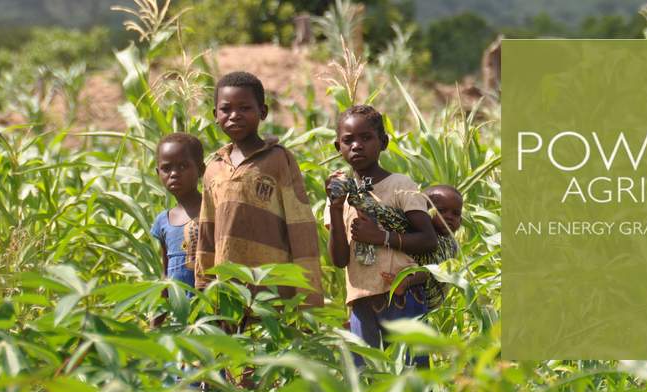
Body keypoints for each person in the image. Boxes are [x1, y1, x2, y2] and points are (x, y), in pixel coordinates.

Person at [195, 71, 324, 308]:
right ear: (215, 115)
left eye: (244, 108)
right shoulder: (213, 168)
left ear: (262, 112)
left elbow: (300, 227)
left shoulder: (278, 160)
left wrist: (309, 300)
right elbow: (206, 232)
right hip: (227, 294)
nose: (234, 115)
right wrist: (204, 289)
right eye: (226, 109)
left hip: (274, 294)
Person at [325, 104, 438, 368]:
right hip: (362, 302)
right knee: (366, 379)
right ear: (337, 147)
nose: (357, 146)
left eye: (366, 138)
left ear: (383, 142)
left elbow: (428, 239)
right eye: (348, 140)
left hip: (403, 298)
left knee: (413, 378)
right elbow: (339, 259)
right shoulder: (337, 197)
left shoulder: (399, 185)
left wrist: (382, 237)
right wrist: (335, 206)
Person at [151, 132, 204, 292]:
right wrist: (159, 313)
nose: (174, 174)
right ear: (158, 173)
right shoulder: (163, 221)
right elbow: (166, 274)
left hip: (210, 309)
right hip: (179, 310)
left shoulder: (212, 212)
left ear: (201, 169)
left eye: (183, 166)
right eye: (166, 168)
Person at [413, 184, 463, 311]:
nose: (449, 217)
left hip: (427, 310)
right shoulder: (418, 236)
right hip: (412, 301)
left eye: (456, 213)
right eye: (441, 211)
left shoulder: (452, 243)